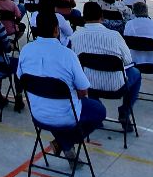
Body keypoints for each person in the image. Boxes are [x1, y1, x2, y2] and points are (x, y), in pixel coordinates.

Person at [17, 11, 104, 161]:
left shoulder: (26, 50)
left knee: (57, 108)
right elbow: (83, 91)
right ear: (56, 30)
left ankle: (62, 142)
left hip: (37, 112)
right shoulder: (67, 55)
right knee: (99, 110)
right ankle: (65, 142)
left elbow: (21, 78)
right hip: (66, 115)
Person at [70, 2, 140, 132]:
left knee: (83, 76)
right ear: (102, 17)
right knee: (136, 73)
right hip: (116, 87)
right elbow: (128, 61)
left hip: (88, 86)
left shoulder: (74, 37)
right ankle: (125, 111)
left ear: (84, 17)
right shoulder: (114, 36)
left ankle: (97, 113)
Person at [123, 1, 153, 104]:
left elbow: (126, 43)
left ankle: (132, 92)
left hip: (135, 63)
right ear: (147, 11)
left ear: (133, 12)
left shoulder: (129, 24)